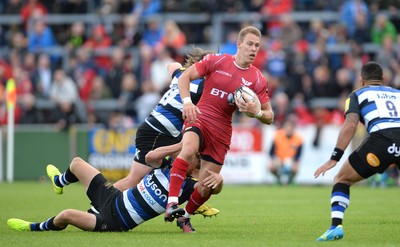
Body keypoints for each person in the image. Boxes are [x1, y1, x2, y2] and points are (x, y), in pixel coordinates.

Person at [164, 25, 274, 233]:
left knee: (208, 185)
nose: (253, 49)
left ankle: (184, 217)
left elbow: (270, 116)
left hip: (222, 130)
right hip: (201, 116)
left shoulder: (257, 79)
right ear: (239, 44)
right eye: (249, 44)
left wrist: (256, 112)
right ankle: (171, 204)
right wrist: (188, 102)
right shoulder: (217, 61)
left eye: (257, 46)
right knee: (187, 150)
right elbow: (184, 77)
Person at [7, 156, 223, 232]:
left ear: (195, 168)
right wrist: (179, 148)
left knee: (66, 215)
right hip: (113, 197)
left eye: (193, 156)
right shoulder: (168, 164)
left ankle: (33, 228)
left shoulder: (187, 186)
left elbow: (205, 191)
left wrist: (219, 182)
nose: (187, 155)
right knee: (77, 163)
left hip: (113, 220)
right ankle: (59, 182)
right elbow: (150, 156)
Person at [314, 61, 400, 241]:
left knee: (342, 179)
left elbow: (350, 125)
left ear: (361, 80)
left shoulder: (357, 94)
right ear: (383, 79)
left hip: (381, 140)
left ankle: (335, 226)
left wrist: (334, 159)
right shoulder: (397, 93)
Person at [112, 47, 212, 191]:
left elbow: (172, 65)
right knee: (134, 179)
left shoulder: (181, 75)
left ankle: (190, 199)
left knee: (189, 164)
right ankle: (100, 202)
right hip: (158, 131)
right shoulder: (204, 85)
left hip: (157, 128)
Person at [268, 116, 303, 185]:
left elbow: (299, 154)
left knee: (295, 167)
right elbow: (271, 152)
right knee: (271, 167)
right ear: (284, 128)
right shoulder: (277, 136)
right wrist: (274, 158)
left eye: (290, 127)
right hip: (279, 159)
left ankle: (290, 180)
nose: (289, 129)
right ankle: (278, 179)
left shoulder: (298, 138)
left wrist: (294, 161)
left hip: (290, 160)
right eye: (287, 127)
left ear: (293, 128)